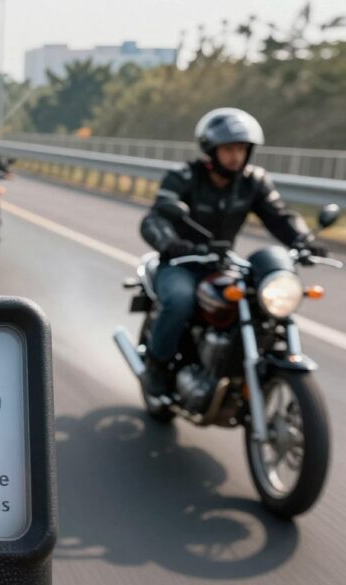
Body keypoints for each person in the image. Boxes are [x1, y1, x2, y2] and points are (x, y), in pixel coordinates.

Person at [139, 107, 324, 394]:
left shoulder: (253, 181)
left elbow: (278, 216)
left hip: (222, 265)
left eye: (241, 148)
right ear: (211, 150)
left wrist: (303, 240)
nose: (236, 156)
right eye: (228, 149)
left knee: (259, 304)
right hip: (182, 263)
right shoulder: (184, 177)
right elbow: (155, 219)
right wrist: (170, 243)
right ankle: (157, 366)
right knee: (179, 301)